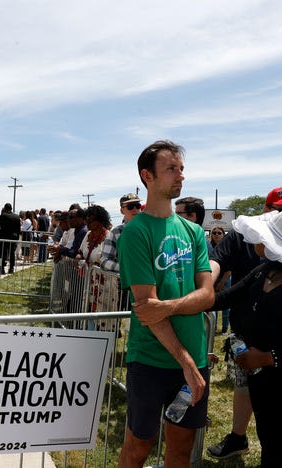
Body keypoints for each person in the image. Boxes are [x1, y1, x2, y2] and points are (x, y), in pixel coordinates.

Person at [141, 210, 282, 466]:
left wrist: (268, 358)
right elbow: (222, 299)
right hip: (266, 385)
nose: (255, 241)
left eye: (262, 238)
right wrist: (173, 305)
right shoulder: (263, 272)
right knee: (272, 448)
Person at [117, 140, 214, 467]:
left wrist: (170, 306)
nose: (180, 176)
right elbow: (147, 309)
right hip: (150, 360)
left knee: (181, 449)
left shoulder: (193, 231)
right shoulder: (136, 232)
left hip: (195, 357)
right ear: (148, 175)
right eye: (171, 169)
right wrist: (186, 362)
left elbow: (208, 295)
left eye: (181, 169)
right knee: (138, 447)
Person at [207, 185, 282, 459]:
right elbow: (216, 262)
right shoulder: (241, 236)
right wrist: (205, 289)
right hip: (247, 327)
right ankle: (239, 437)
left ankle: (280, 446)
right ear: (265, 210)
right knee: (244, 385)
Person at [100, 193, 142, 273]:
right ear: (122, 211)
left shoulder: (149, 230)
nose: (135, 209)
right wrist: (127, 268)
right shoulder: (117, 232)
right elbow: (104, 261)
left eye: (137, 205)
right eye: (130, 206)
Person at [209, 226, 232, 334]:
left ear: (223, 234)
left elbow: (229, 269)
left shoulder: (228, 246)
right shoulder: (209, 247)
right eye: (214, 233)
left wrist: (222, 282)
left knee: (226, 305)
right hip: (212, 278)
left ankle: (224, 329)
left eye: (219, 233)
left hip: (225, 278)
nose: (217, 235)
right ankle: (213, 327)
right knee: (213, 303)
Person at [0, 203, 21, 274]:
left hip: (4, 236)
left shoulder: (3, 215)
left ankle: (2, 269)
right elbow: (18, 229)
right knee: (12, 253)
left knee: (3, 253)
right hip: (14, 237)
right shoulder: (17, 217)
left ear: (5, 208)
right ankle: (11, 269)